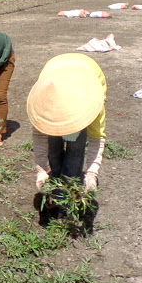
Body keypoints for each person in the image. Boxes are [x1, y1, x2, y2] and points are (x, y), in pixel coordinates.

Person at [27, 53, 107, 203]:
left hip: (86, 75)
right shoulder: (43, 96)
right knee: (53, 146)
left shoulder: (92, 100)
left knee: (76, 149)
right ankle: (57, 187)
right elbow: (39, 135)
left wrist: (91, 173)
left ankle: (69, 194)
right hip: (54, 70)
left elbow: (97, 137)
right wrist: (42, 169)